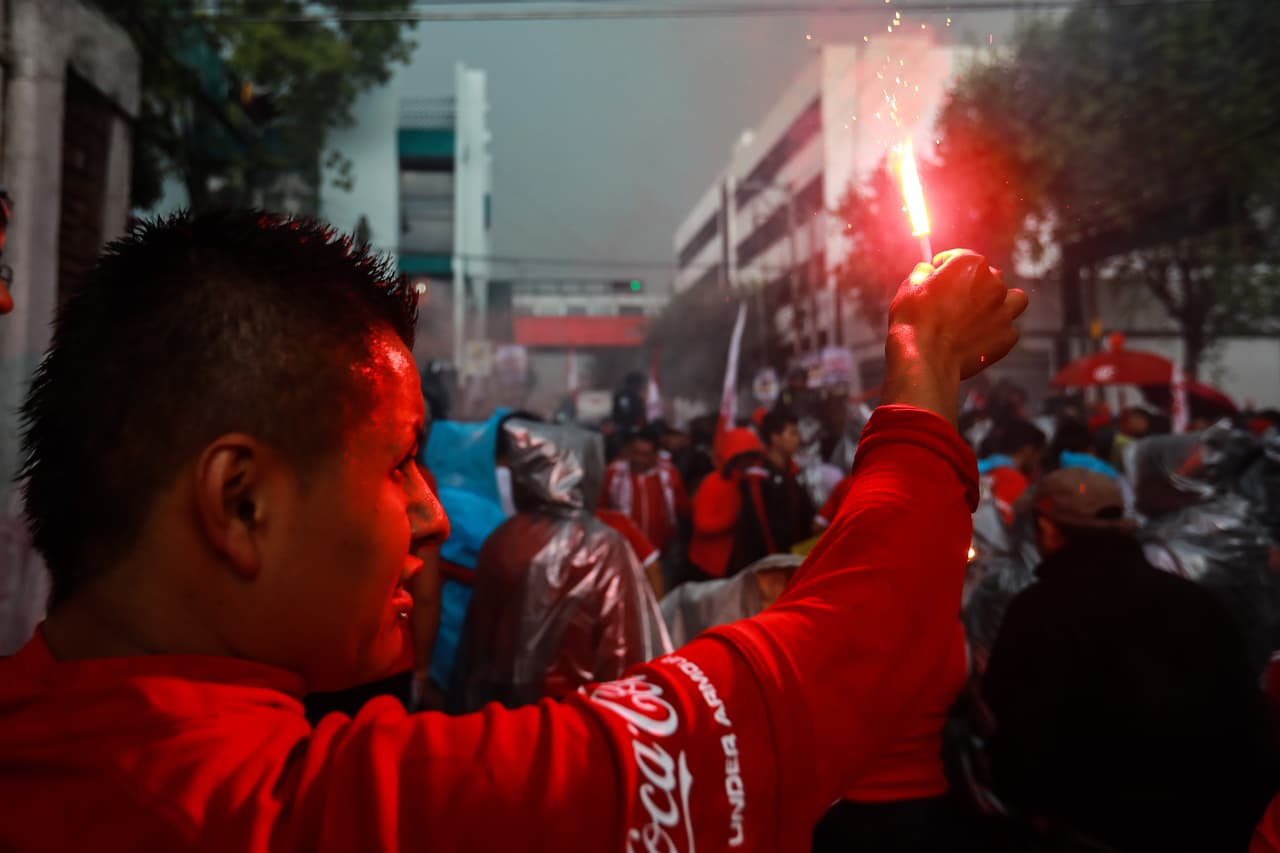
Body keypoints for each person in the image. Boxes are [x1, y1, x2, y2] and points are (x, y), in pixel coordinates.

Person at [0, 211, 1026, 852]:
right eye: (398, 460)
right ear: (240, 502)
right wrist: (921, 367)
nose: (429, 513)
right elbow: (843, 655)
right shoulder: (332, 814)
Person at [982, 468, 1278, 852]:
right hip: (1205, 823)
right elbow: (1243, 709)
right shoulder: (1192, 600)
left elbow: (1015, 723)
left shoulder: (1039, 610)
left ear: (1049, 528)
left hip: (1092, 828)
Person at [451, 418, 671, 711]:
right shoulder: (604, 546)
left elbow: (478, 643)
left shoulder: (501, 540)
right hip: (582, 708)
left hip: (507, 709)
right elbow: (624, 644)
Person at [734, 407, 816, 565]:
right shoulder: (757, 477)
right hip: (774, 565)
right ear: (775, 438)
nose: (797, 439)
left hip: (797, 558)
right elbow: (760, 528)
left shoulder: (793, 472)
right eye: (792, 433)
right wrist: (775, 563)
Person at [687, 426, 765, 579]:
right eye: (745, 456)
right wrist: (732, 519)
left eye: (752, 456)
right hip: (711, 565)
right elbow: (702, 523)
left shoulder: (750, 482)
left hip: (739, 562)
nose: (749, 462)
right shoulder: (712, 482)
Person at [601, 424, 690, 554]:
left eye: (645, 455)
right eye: (635, 453)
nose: (638, 459)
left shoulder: (669, 475)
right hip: (624, 551)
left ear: (655, 455)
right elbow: (601, 509)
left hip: (661, 551)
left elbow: (682, 508)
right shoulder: (614, 473)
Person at [977, 419, 1046, 525]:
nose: (1039, 460)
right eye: (1039, 453)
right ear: (1028, 450)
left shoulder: (981, 468)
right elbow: (1005, 523)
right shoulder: (1015, 481)